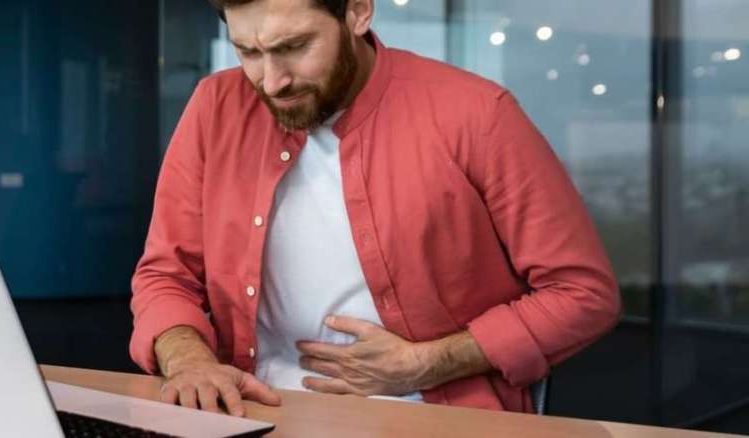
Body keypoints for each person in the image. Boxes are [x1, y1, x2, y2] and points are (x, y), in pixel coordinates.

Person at [130, 0, 621, 416]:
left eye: (294, 47)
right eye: (248, 52)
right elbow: (166, 275)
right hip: (253, 410)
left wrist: (426, 362)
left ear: (358, 12)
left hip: (429, 415)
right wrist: (189, 361)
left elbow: (583, 294)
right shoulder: (215, 107)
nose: (272, 81)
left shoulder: (478, 114)